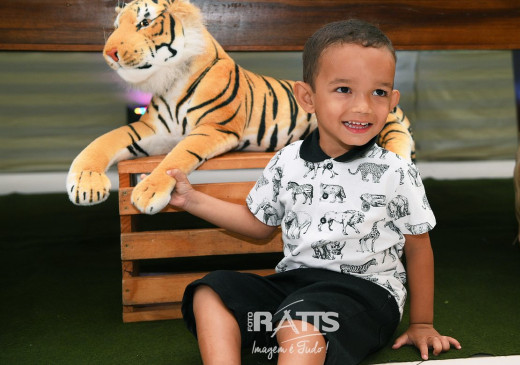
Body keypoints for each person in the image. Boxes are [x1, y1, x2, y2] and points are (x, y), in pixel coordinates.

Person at [167, 19, 461, 364]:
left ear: (392, 100)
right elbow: (258, 225)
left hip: (365, 295)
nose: (364, 106)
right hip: (294, 287)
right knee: (210, 290)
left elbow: (418, 246)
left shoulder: (395, 170)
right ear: (308, 97)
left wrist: (422, 323)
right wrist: (191, 199)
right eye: (344, 89)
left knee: (301, 320)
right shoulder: (287, 160)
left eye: (379, 93)